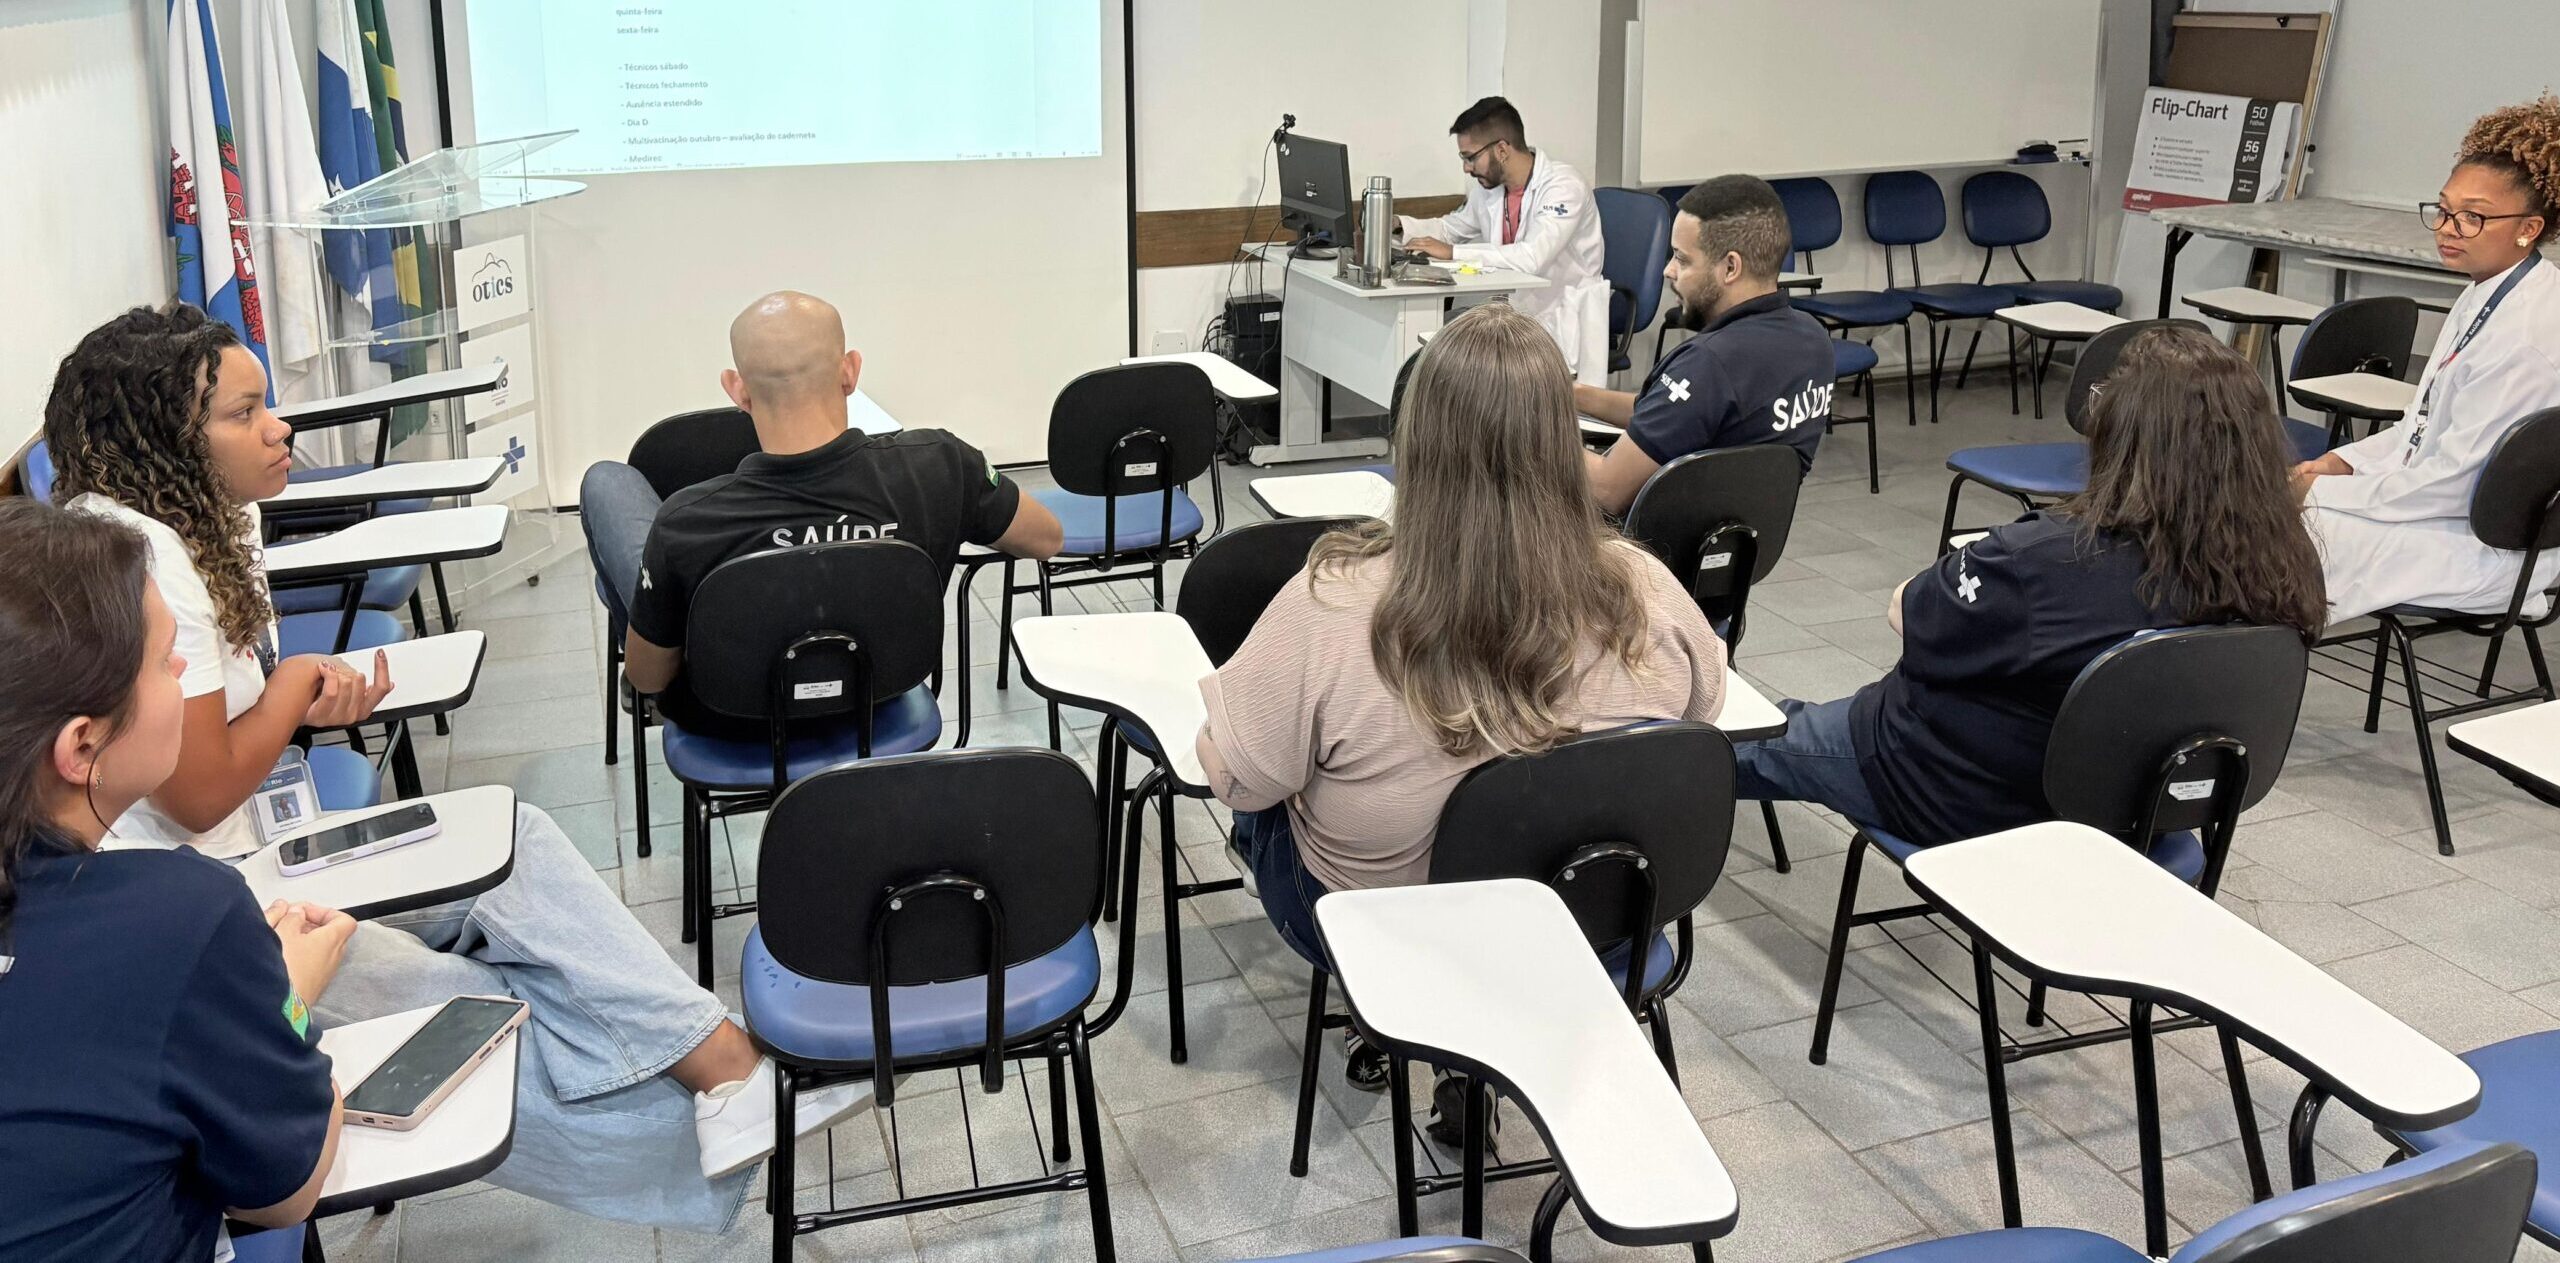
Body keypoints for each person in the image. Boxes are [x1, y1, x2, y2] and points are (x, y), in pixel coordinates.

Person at [42, 303, 868, 1236]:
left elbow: (215, 736)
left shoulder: (199, 520)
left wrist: (287, 701)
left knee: (512, 845)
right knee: (479, 1010)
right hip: (224, 890)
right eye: (245, 413)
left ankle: (725, 1070)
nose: (281, 428)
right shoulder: (141, 563)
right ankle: (726, 1120)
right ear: (167, 437)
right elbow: (193, 796)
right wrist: (295, 689)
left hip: (263, 848)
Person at [1195, 303, 1728, 1128]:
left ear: (1415, 440)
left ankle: (1415, 1033)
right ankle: (1472, 1061)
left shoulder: (1335, 602)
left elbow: (1233, 773)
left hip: (1396, 938)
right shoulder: (1642, 589)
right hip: (1591, 927)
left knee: (1260, 802)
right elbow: (1703, 713)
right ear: (1566, 441)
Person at [1733, 327, 2326, 847]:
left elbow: (1907, 613)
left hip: (1963, 798)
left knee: (1737, 741)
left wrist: (1979, 568)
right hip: (2140, 816)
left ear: (2123, 435)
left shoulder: (2050, 560)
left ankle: (1651, 760)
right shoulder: (2283, 559)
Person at [0, 499, 350, 1262]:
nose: (187, 668)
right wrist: (287, 998)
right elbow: (288, 1189)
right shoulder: (181, 918)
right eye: (165, 661)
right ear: (81, 744)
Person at [621, 290, 1064, 732]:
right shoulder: (943, 465)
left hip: (730, 727)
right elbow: (1047, 538)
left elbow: (647, 677)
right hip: (881, 703)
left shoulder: (687, 521)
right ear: (850, 371)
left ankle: (650, 596)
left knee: (609, 483)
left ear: (737, 390)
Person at [2297, 95, 2560, 621]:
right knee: (2265, 520)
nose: (2446, 228)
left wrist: (2319, 491)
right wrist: (2341, 463)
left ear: (2528, 229)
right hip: (2444, 510)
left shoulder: (2527, 336)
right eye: (2443, 210)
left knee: (2263, 537)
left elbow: (2458, 483)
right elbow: (2425, 426)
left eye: (2471, 218)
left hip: (2487, 546)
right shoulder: (2491, 289)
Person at [1578, 175, 1838, 515]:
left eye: (1682, 259)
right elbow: (1663, 416)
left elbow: (1606, 491)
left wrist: (1533, 425)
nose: (1668, 271)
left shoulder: (1709, 364)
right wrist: (1575, 395)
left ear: (1730, 267)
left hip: (1648, 551)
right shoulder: (1814, 340)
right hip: (1742, 541)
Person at [1396, 96, 1613, 385]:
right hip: (1516, 315)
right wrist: (1400, 227)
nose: (1467, 168)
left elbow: (1532, 258)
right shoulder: (1491, 189)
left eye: (1470, 157)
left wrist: (1453, 253)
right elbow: (1452, 228)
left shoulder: (1563, 187)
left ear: (1501, 149)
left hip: (1562, 318)